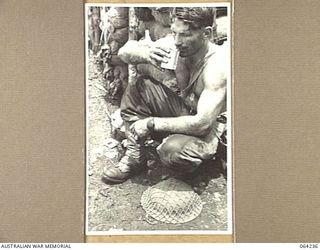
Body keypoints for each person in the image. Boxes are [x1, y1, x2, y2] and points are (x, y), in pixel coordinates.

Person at [102, 7, 228, 184]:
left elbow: (202, 124)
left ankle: (199, 167)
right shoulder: (179, 46)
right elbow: (124, 51)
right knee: (140, 86)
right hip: (187, 110)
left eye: (184, 35)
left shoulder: (217, 67)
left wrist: (151, 123)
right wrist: (144, 53)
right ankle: (135, 158)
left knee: (171, 151)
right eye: (175, 33)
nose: (177, 41)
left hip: (210, 126)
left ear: (206, 33)